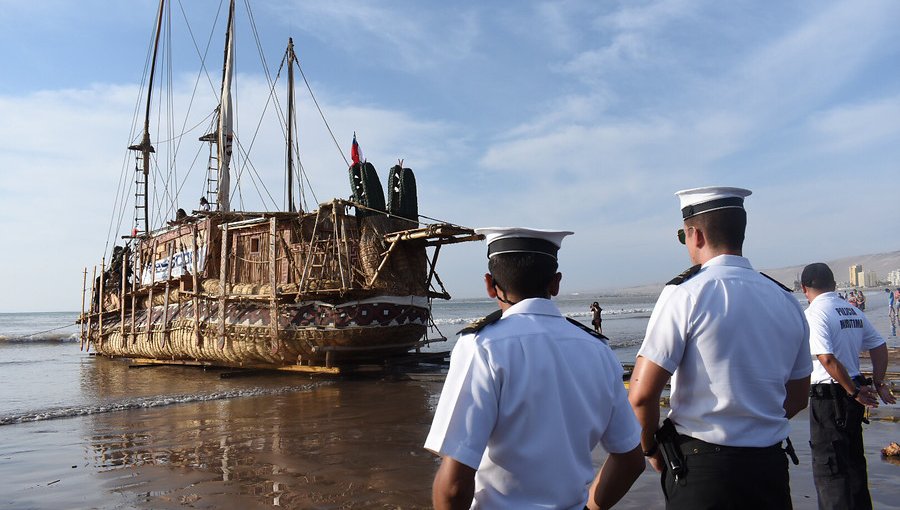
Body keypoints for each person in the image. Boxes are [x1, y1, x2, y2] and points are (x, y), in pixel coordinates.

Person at [425, 227, 644, 510]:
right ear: (555, 284)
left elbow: (455, 486)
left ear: (490, 285)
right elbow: (630, 460)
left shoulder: (483, 347)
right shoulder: (598, 350)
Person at [628, 186, 812, 509]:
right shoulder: (787, 301)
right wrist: (754, 424)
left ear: (695, 235)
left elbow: (642, 395)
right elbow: (797, 396)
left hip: (702, 473)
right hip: (769, 471)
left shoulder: (685, 295)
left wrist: (651, 450)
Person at [801, 263, 895, 510]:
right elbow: (879, 346)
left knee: (831, 471)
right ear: (833, 285)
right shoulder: (851, 310)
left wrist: (853, 391)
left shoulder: (814, 313)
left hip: (831, 398)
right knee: (853, 467)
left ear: (804, 289)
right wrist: (878, 381)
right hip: (852, 395)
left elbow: (827, 358)